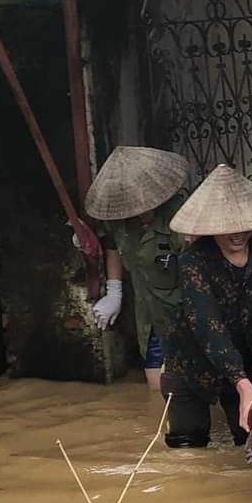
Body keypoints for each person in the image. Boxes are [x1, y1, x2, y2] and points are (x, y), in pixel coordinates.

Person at [162, 165, 252, 448]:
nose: (238, 234)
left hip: (248, 356)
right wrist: (241, 382)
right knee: (187, 444)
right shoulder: (193, 261)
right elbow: (208, 327)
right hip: (191, 360)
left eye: (245, 224)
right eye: (228, 227)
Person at [84, 146, 189, 391]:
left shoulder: (179, 216)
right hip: (149, 314)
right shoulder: (120, 224)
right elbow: (112, 247)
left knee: (190, 387)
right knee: (156, 389)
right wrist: (114, 291)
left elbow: (195, 266)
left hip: (183, 309)